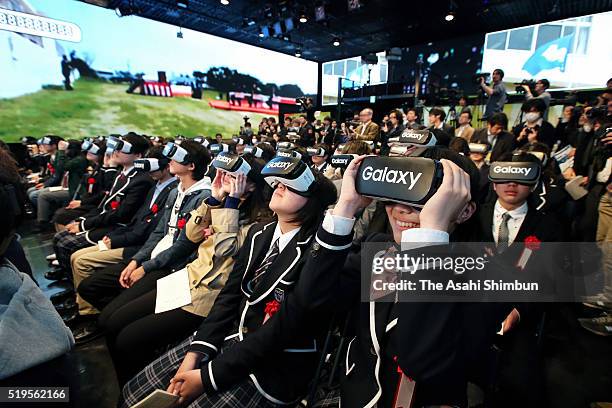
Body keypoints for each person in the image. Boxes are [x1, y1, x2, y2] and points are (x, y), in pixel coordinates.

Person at [120, 157, 338, 407]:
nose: (278, 186)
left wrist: (207, 376)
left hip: (267, 363)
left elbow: (282, 328)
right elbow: (228, 294)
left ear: (313, 201)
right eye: (278, 182)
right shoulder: (261, 232)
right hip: (227, 331)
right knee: (133, 393)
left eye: (291, 186)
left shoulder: (320, 251)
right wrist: (196, 353)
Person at [93, 154, 269, 385]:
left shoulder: (262, 220)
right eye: (224, 173)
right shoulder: (222, 201)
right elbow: (191, 235)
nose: (225, 179)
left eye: (233, 176)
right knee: (112, 322)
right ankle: (133, 384)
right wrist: (215, 199)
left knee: (128, 339)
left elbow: (226, 249)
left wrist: (232, 203)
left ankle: (136, 390)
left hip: (206, 294)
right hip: (186, 278)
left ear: (252, 184)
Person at [67, 147, 178, 339]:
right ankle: (84, 306)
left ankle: (90, 313)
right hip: (131, 239)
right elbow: (137, 220)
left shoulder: (170, 190)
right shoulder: (154, 186)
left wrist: (118, 241)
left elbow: (149, 231)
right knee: (76, 256)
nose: (148, 171)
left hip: (138, 247)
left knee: (81, 261)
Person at [47, 134, 153, 281]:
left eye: (123, 149)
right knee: (61, 235)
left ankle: (72, 282)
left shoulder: (140, 179)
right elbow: (105, 202)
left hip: (117, 226)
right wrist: (83, 220)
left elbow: (121, 214)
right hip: (107, 219)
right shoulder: (122, 173)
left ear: (138, 155)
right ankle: (69, 275)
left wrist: (84, 224)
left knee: (66, 243)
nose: (115, 151)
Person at [36, 140, 88, 231]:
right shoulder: (74, 158)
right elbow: (57, 167)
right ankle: (46, 219)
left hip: (75, 190)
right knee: (42, 193)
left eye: (67, 150)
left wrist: (61, 151)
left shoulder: (80, 159)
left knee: (43, 196)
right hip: (69, 187)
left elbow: (62, 167)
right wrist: (60, 153)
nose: (66, 152)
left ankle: (43, 223)